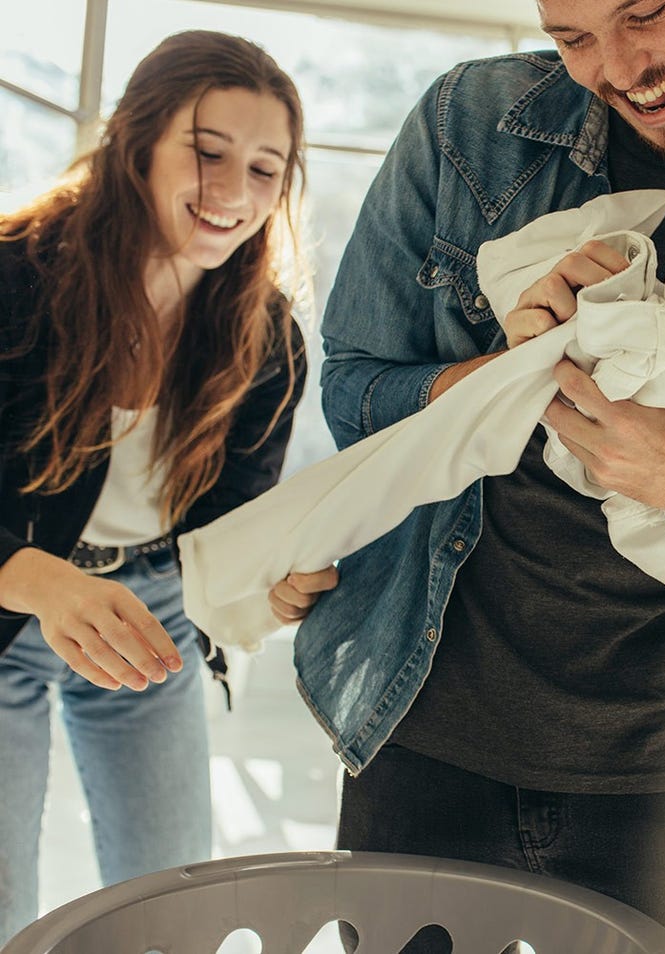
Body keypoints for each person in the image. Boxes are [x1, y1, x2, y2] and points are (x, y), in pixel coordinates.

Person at [296, 1, 665, 950]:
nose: (615, 67)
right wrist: (501, 375)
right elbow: (358, 386)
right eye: (572, 36)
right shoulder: (467, 126)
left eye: (644, 12)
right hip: (428, 738)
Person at [0, 30, 337, 944]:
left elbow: (230, 531)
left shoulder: (266, 337)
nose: (234, 192)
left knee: (172, 917)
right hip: (12, 605)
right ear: (136, 139)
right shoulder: (14, 275)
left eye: (267, 169)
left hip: (151, 612)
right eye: (208, 150)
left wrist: (268, 587)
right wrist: (42, 582)